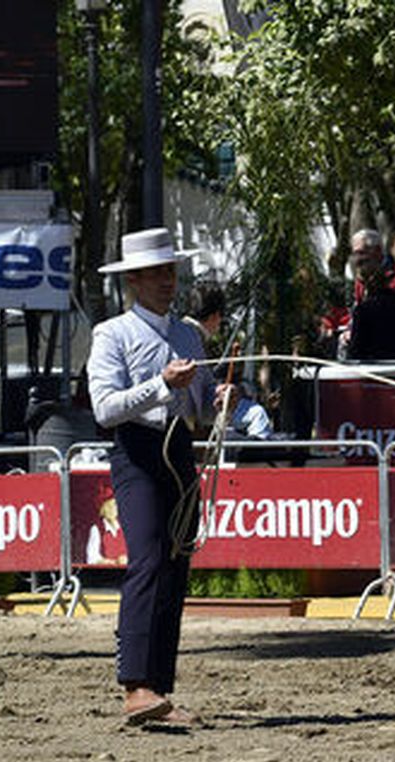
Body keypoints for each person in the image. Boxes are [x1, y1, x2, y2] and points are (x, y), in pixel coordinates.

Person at [87, 227, 231, 729]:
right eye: (156, 273)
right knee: (148, 560)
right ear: (134, 280)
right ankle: (134, 684)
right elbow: (105, 408)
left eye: (170, 271)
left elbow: (202, 405)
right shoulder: (112, 334)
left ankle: (158, 689)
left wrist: (219, 402)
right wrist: (160, 384)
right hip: (138, 453)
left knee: (175, 567)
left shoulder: (189, 335)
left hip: (181, 452)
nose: (167, 280)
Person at [347, 228, 395, 361]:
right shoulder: (358, 284)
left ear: (377, 251)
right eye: (355, 254)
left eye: (362, 253)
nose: (357, 259)